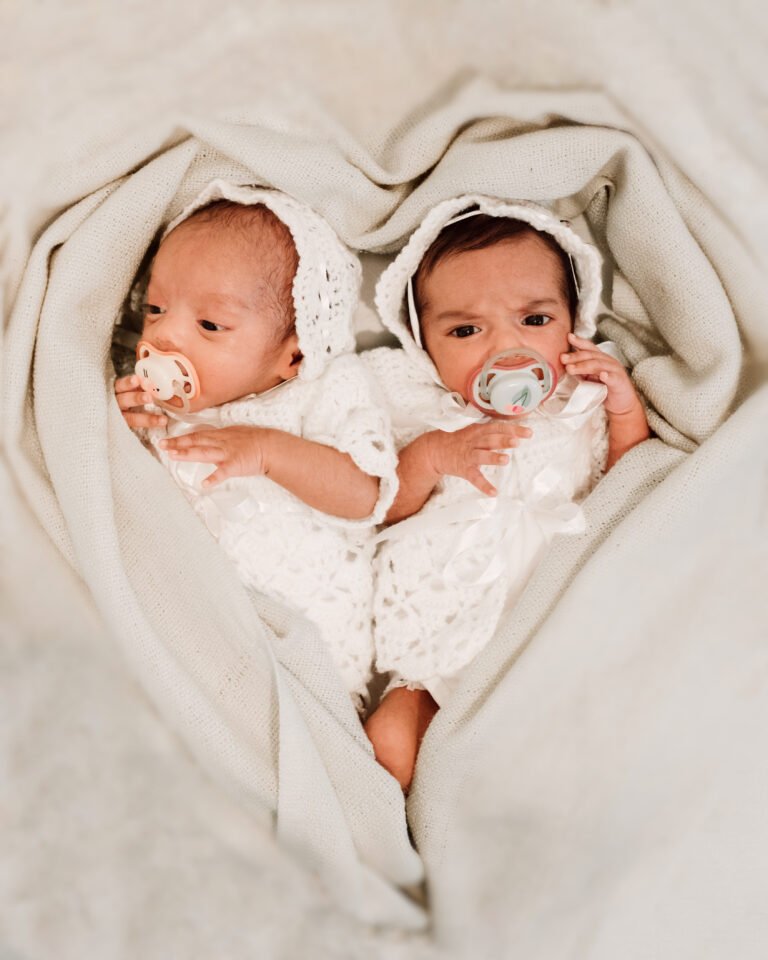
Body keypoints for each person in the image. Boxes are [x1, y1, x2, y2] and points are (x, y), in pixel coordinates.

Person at [362, 195, 650, 788]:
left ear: (573, 319)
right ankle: (392, 845)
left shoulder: (582, 401)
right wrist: (433, 456)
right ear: (423, 345)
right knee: (390, 738)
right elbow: (378, 508)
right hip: (443, 646)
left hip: (555, 632)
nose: (504, 348)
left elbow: (629, 487)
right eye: (466, 329)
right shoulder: (418, 410)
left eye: (535, 320)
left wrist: (624, 410)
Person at [113, 179, 397, 708]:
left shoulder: (324, 390)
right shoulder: (156, 409)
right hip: (190, 634)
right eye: (154, 310)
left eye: (210, 323)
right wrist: (120, 426)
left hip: (308, 648)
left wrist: (268, 451)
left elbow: (367, 495)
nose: (164, 337)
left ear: (293, 356)